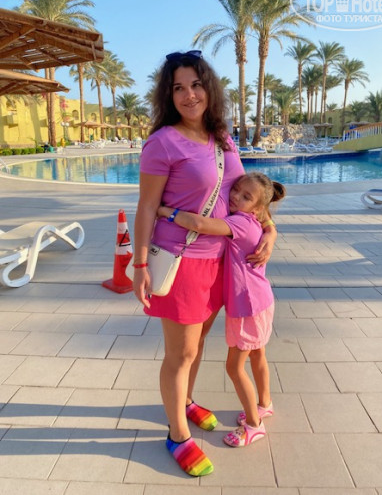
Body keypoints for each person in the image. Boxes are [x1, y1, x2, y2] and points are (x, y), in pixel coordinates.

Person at [132, 50, 276, 476]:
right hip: (181, 263)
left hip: (221, 263)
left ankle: (187, 401)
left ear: (209, 88)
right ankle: (177, 435)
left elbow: (251, 196)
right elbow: (146, 206)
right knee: (181, 353)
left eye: (196, 85)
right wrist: (139, 265)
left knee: (198, 345)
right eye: (178, 87)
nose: (189, 95)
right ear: (168, 95)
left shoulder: (223, 139)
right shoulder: (162, 143)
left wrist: (269, 231)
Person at [158, 172, 286, 448]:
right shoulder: (254, 221)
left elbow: (199, 224)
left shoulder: (240, 222)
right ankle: (265, 404)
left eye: (246, 197)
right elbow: (264, 221)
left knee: (234, 367)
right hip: (261, 302)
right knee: (258, 354)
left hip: (247, 307)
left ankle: (254, 425)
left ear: (257, 209)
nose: (235, 197)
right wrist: (271, 229)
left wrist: (165, 211)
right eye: (236, 190)